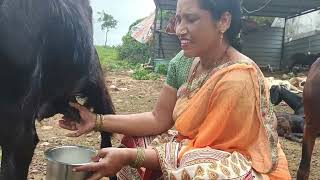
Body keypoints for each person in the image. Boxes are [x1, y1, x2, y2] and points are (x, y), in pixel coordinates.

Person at [59, 0, 291, 179]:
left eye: (191, 19)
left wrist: (129, 157)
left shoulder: (238, 78)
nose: (179, 29)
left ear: (223, 21)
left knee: (194, 172)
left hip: (234, 161)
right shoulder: (184, 61)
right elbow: (158, 118)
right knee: (135, 140)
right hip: (194, 148)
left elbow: (209, 155)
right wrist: (96, 120)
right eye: (178, 19)